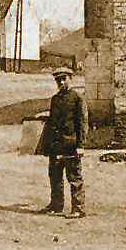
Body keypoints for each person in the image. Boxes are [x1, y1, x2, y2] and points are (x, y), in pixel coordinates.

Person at [43, 67, 88, 217]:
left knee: (74, 178)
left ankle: (78, 209)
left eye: (64, 79)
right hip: (56, 145)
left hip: (71, 145)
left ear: (71, 79)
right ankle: (56, 205)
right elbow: (52, 123)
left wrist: (81, 145)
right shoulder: (55, 99)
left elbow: (82, 123)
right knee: (55, 176)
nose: (61, 82)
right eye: (58, 80)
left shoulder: (77, 98)